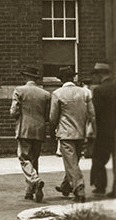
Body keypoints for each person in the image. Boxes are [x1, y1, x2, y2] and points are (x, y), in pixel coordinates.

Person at [49, 65, 95, 202]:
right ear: (73, 78)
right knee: (73, 162)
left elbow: (53, 117)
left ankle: (79, 190)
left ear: (61, 79)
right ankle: (66, 186)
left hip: (66, 134)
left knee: (71, 163)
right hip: (81, 133)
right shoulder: (85, 92)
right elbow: (92, 114)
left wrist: (52, 131)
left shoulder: (57, 94)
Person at [10, 65, 52, 201]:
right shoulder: (45, 94)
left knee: (24, 158)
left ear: (25, 77)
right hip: (39, 129)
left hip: (24, 128)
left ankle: (35, 180)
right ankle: (31, 191)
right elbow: (47, 115)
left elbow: (13, 112)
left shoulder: (19, 91)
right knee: (34, 159)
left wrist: (18, 116)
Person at [89, 62, 116, 198]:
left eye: (95, 75)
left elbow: (95, 114)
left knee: (99, 159)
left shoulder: (100, 91)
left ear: (100, 75)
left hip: (105, 132)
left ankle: (100, 186)